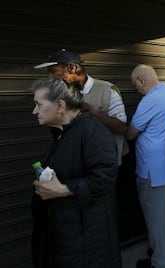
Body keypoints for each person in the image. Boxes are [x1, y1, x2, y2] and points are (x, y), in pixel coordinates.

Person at [31, 79, 120, 268]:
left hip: (86, 242)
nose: (35, 111)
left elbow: (104, 175)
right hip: (68, 235)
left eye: (39, 105)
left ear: (61, 105)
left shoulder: (92, 132)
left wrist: (63, 189)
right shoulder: (62, 132)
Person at [34, 49, 128, 165]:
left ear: (72, 68)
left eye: (54, 71)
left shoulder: (106, 90)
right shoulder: (60, 93)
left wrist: (91, 111)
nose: (50, 77)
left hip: (107, 164)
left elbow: (122, 128)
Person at [126, 64, 165, 268]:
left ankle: (160, 261)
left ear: (141, 80)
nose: (137, 90)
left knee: (155, 218)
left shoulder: (149, 100)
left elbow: (131, 132)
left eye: (135, 86)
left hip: (151, 171)